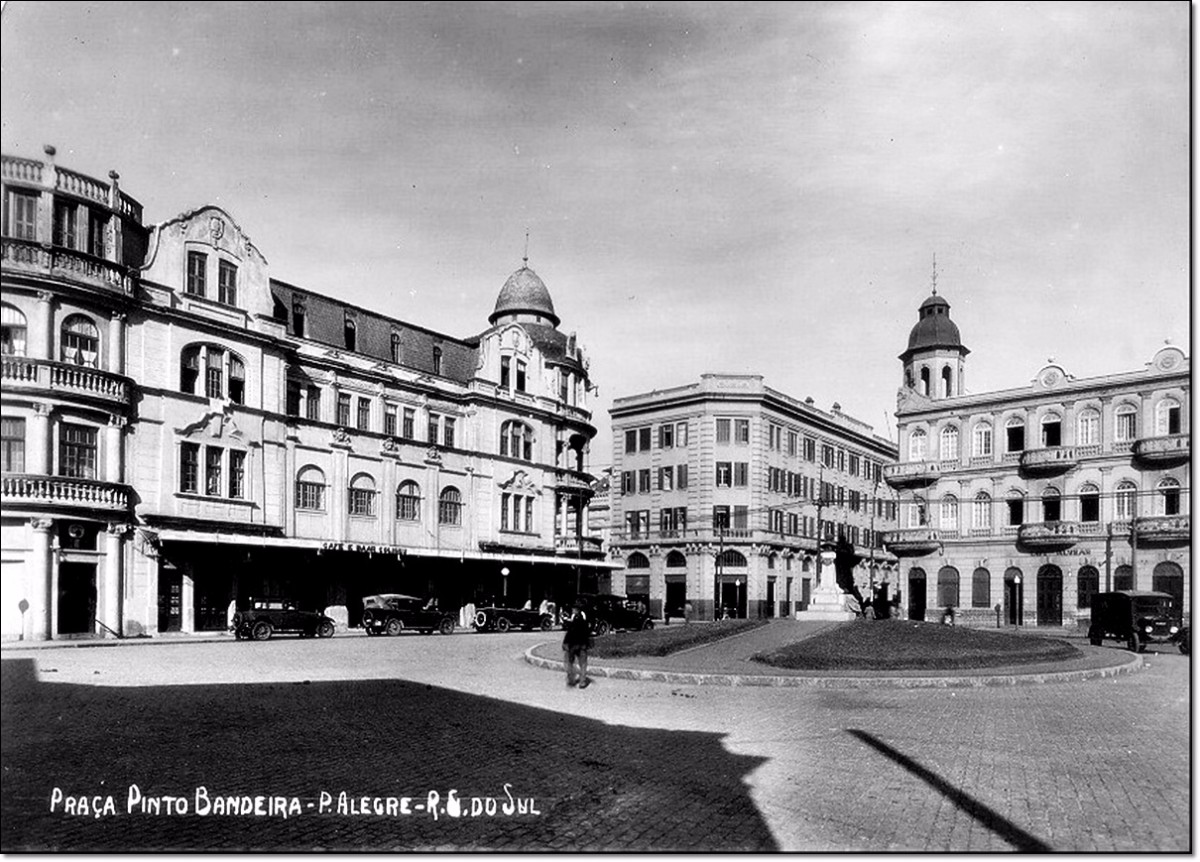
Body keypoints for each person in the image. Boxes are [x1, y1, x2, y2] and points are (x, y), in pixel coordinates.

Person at [562, 603, 593, 688]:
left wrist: (565, 643)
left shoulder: (574, 621)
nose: (572, 610)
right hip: (582, 645)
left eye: (573, 609)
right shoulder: (584, 620)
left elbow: (569, 633)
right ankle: (582, 682)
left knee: (570, 662)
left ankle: (571, 679)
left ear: (576, 610)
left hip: (573, 645)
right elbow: (587, 633)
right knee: (583, 664)